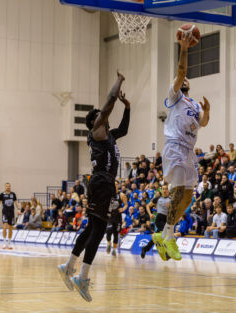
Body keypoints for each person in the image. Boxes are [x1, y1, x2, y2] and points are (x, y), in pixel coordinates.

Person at [58, 71, 130, 302]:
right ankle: (82, 276)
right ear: (94, 122)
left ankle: (69, 266)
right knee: (99, 230)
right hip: (101, 182)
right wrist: (118, 82)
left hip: (104, 183)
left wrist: (127, 107)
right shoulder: (97, 131)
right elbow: (108, 102)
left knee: (92, 228)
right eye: (101, 115)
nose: (106, 116)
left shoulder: (109, 135)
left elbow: (125, 129)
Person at [152, 32, 210, 262]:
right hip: (175, 146)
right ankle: (169, 237)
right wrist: (184, 48)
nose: (184, 80)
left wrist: (208, 110)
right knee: (178, 192)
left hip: (188, 151)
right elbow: (181, 71)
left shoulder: (194, 104)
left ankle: (163, 234)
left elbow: (203, 123)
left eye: (186, 81)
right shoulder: (174, 96)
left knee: (188, 197)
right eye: (181, 79)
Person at [141, 185, 171, 259]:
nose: (164, 190)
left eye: (166, 189)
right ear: (161, 191)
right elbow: (148, 206)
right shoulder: (158, 198)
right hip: (159, 219)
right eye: (163, 189)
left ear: (168, 190)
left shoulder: (171, 199)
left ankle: (145, 248)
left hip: (167, 220)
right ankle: (167, 252)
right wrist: (150, 214)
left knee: (157, 237)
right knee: (165, 234)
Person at [0, 183, 19, 250]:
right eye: (7, 186)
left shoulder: (13, 194)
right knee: (4, 227)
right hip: (5, 213)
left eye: (9, 186)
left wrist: (19, 209)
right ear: (5, 187)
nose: (8, 187)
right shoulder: (2, 195)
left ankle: (9, 243)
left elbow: (16, 203)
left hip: (12, 213)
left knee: (10, 228)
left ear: (10, 187)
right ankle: (4, 243)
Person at [106, 182, 126, 257]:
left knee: (115, 234)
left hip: (118, 217)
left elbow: (126, 204)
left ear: (118, 185)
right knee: (108, 230)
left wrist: (123, 208)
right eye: (113, 184)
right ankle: (108, 243)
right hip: (110, 216)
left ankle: (114, 250)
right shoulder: (108, 194)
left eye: (116, 184)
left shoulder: (121, 195)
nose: (115, 186)